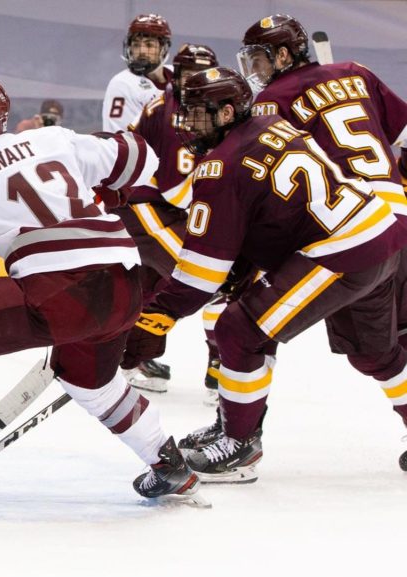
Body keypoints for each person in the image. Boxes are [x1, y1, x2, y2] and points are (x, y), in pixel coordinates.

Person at [0, 77, 203, 509]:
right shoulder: (53, 138)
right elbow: (137, 156)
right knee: (90, 381)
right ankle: (168, 463)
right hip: (126, 281)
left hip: (61, 290)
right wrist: (107, 194)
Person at [125, 67, 407, 483]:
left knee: (238, 329)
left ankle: (239, 443)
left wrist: (156, 316)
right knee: (374, 352)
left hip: (342, 253)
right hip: (383, 233)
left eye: (198, 114)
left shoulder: (220, 167)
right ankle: (234, 424)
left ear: (225, 113)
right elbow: (279, 211)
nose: (186, 125)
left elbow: (201, 275)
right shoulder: (271, 122)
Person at [115, 43, 221, 396]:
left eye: (203, 75)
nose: (197, 81)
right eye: (190, 74)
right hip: (144, 204)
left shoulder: (191, 104)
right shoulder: (177, 112)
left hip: (158, 206)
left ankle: (128, 360)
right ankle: (224, 372)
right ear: (178, 75)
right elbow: (178, 190)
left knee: (151, 286)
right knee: (210, 277)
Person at [239, 14, 407, 217]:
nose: (254, 69)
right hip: (397, 210)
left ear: (282, 55)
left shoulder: (272, 99)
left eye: (257, 60)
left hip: (344, 218)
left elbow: (258, 177)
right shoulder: (356, 72)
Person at [102, 14, 173, 133]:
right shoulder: (123, 83)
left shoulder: (179, 74)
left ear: (163, 48)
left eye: (149, 45)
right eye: (136, 45)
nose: (142, 51)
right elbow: (121, 139)